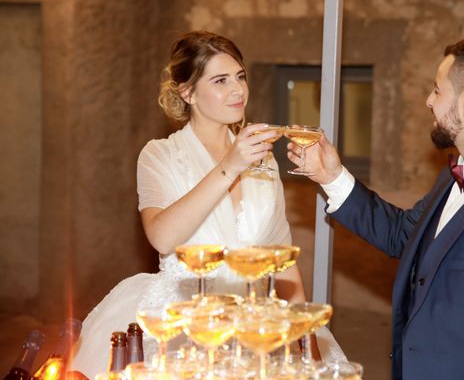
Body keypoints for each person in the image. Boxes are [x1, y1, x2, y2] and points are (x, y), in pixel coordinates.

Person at [287, 36, 464, 379]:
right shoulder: (452, 176)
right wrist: (332, 176)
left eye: (437, 91)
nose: (428, 101)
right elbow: (401, 234)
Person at [71, 31, 344, 378]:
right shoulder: (160, 155)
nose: (238, 90)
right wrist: (231, 165)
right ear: (187, 92)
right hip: (184, 322)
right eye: (220, 80)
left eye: (240, 76)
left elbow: (282, 259)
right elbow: (163, 238)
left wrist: (308, 347)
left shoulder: (264, 159)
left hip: (254, 324)